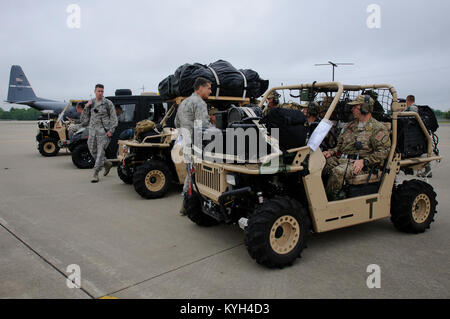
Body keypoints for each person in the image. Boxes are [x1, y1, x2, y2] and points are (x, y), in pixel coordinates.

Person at [322, 95, 391, 201]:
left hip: (363, 165)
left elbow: (384, 152)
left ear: (365, 108)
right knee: (320, 165)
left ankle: (329, 202)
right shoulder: (349, 126)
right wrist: (330, 152)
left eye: (355, 107)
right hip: (344, 160)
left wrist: (364, 161)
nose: (352, 109)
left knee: (338, 172)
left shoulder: (377, 129)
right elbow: (339, 147)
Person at [175, 77, 212, 215]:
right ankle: (187, 204)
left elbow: (176, 123)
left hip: (185, 142)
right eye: (208, 88)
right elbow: (204, 126)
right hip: (196, 144)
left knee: (191, 171)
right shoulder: (199, 103)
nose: (210, 91)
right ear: (200, 88)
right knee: (196, 174)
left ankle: (186, 203)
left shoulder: (184, 103)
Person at [81, 84, 118, 183]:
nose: (100, 93)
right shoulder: (91, 103)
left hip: (104, 132)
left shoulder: (107, 103)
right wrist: (86, 107)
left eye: (102, 91)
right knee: (93, 150)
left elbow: (114, 118)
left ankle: (95, 174)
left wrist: (111, 131)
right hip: (93, 131)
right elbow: (84, 120)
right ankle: (107, 163)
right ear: (95, 91)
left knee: (100, 152)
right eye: (99, 91)